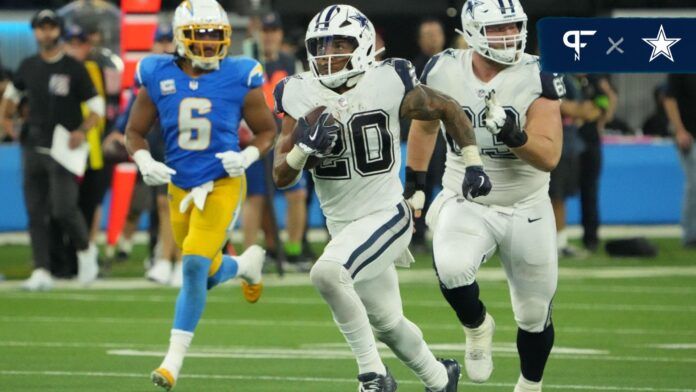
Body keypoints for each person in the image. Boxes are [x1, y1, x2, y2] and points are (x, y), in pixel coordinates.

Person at [273, 5, 491, 391]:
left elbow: (448, 109)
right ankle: (441, 379)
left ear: (361, 45)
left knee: (326, 273)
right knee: (388, 324)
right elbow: (281, 175)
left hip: (389, 212)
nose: (328, 54)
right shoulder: (297, 92)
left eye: (339, 44)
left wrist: (472, 162)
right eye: (321, 46)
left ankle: (373, 375)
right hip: (342, 225)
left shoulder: (389, 79)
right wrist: (301, 151)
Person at [407, 1, 563, 391]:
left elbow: (549, 156)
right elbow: (425, 128)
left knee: (533, 312)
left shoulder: (537, 73)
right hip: (468, 198)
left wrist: (515, 136)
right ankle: (477, 326)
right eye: (497, 29)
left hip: (526, 204)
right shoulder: (443, 68)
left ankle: (530, 385)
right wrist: (416, 180)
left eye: (513, 26)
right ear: (473, 31)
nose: (508, 36)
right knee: (452, 266)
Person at [123, 0, 276, 389]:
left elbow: (267, 131)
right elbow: (134, 131)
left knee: (191, 266)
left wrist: (247, 155)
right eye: (200, 35)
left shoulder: (241, 74)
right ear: (180, 38)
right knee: (204, 275)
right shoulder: (157, 73)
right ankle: (244, 266)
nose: (208, 44)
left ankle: (172, 363)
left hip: (223, 182)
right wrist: (143, 160)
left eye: (215, 35)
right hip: (179, 184)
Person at [1, 9, 103, 290]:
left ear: (58, 30)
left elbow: (97, 108)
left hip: (63, 150)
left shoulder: (73, 67)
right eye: (41, 27)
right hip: (33, 146)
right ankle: (41, 269)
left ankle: (85, 252)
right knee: (35, 211)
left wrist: (82, 131)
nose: (46, 32)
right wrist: (7, 121)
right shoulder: (28, 65)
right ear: (35, 32)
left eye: (51, 27)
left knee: (63, 209)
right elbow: (11, 96)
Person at [242, 11, 309, 269]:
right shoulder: (249, 63)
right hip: (257, 136)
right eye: (265, 32)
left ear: (279, 35)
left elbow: (302, 97)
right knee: (255, 197)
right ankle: (249, 255)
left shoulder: (290, 62)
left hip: (285, 135)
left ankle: (292, 250)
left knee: (296, 193)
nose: (269, 37)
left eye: (273, 32)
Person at [552, 74, 602, 258]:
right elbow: (558, 104)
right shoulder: (556, 77)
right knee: (554, 195)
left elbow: (592, 109)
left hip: (569, 144)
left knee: (560, 195)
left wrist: (578, 110)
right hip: (556, 143)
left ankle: (560, 241)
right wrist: (576, 110)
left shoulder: (581, 81)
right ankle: (556, 242)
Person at [575, 74, 617, 251]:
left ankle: (591, 239)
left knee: (590, 192)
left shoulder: (595, 80)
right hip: (567, 143)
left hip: (590, 142)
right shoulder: (562, 78)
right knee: (555, 193)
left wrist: (595, 116)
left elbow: (605, 104)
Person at [664, 74, 696, 247]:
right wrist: (680, 130)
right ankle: (691, 234)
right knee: (694, 183)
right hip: (690, 136)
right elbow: (669, 99)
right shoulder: (682, 68)